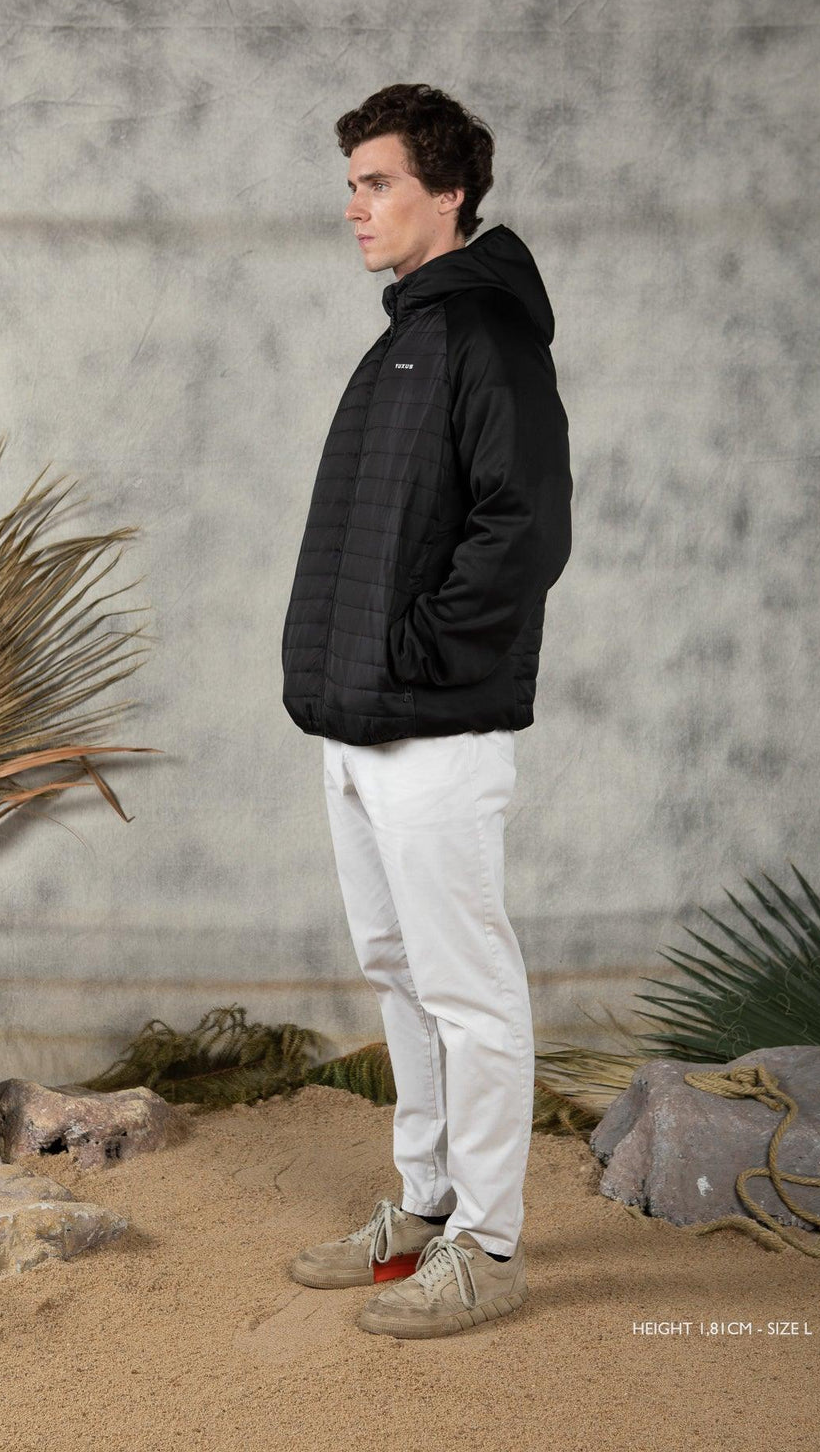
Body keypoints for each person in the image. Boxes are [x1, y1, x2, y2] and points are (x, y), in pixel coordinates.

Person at [280, 82, 572, 1338]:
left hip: (433, 728)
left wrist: (411, 656)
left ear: (448, 193)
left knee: (468, 990)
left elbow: (524, 531)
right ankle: (425, 1203)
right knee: (397, 972)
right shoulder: (406, 332)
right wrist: (346, 668)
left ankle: (489, 1248)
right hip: (357, 724)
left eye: (378, 183)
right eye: (350, 184)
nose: (355, 206)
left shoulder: (484, 334)